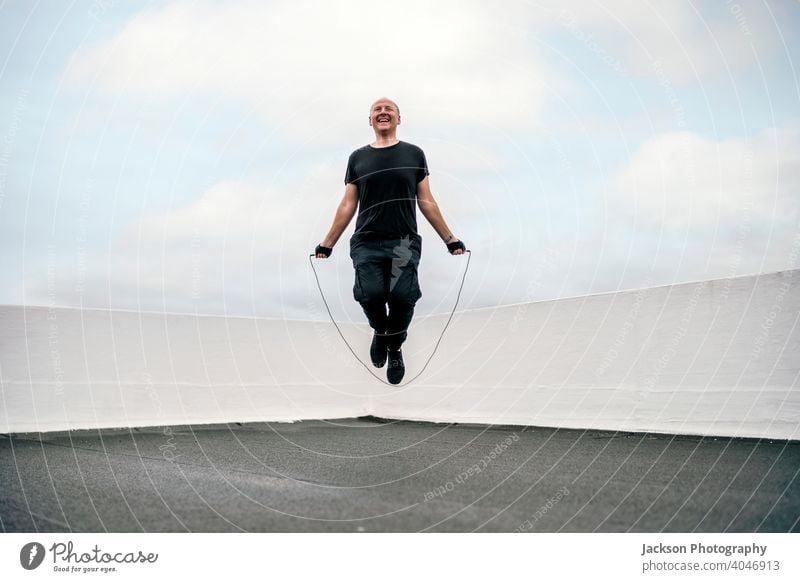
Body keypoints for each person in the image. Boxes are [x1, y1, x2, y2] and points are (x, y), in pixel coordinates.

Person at [314, 97, 466, 384]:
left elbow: (426, 201)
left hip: (404, 240)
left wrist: (450, 239)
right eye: (377, 110)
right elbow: (348, 204)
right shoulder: (358, 158)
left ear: (399, 118)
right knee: (370, 294)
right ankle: (381, 332)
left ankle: (394, 347)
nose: (383, 112)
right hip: (367, 241)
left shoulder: (414, 154)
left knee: (402, 297)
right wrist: (327, 243)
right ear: (370, 120)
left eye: (389, 109)